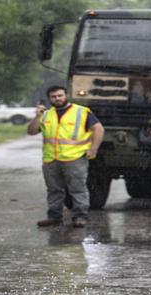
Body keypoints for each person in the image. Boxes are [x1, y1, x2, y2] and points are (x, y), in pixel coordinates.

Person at [27, 86, 104, 228]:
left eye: (60, 95)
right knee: (54, 190)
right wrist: (37, 117)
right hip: (51, 159)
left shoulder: (81, 112)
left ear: (66, 95)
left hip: (74, 158)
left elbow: (98, 129)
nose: (57, 98)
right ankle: (54, 217)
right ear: (50, 99)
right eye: (54, 96)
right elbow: (31, 131)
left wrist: (93, 149)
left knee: (77, 189)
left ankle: (80, 217)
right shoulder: (46, 114)